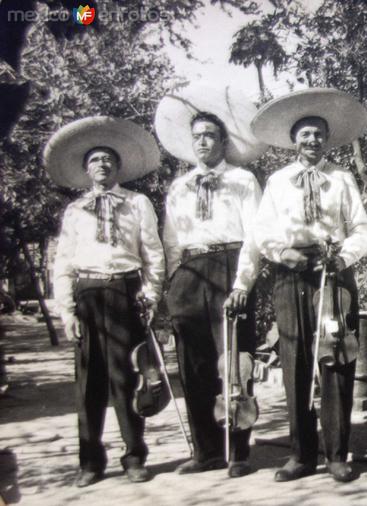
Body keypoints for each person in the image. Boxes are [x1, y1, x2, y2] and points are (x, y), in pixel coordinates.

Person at [246, 87, 367, 483]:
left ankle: (337, 453)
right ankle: (301, 455)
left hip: (333, 272)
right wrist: (282, 253)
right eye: (305, 134)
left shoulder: (341, 178)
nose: (312, 140)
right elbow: (262, 230)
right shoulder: (278, 181)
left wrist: (343, 257)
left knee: (336, 358)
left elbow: (362, 228)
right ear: (293, 140)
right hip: (290, 272)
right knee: (296, 362)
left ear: (327, 139)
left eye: (319, 133)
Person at [155, 83, 267, 478]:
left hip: (228, 267)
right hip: (188, 273)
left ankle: (238, 451)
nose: (203, 142)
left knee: (234, 363)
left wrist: (242, 284)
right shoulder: (179, 186)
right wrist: (170, 288)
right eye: (197, 136)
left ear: (223, 141)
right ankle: (206, 451)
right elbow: (170, 241)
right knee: (194, 365)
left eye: (210, 135)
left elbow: (255, 235)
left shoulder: (243, 179)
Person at [47, 116, 165, 487]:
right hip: (87, 294)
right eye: (95, 160)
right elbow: (63, 262)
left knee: (127, 377)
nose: (102, 165)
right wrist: (67, 310)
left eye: (108, 160)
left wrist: (149, 295)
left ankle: (134, 456)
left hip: (124, 291)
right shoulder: (75, 210)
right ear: (86, 169)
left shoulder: (137, 203)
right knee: (89, 383)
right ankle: (90, 462)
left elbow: (153, 253)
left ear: (118, 167)